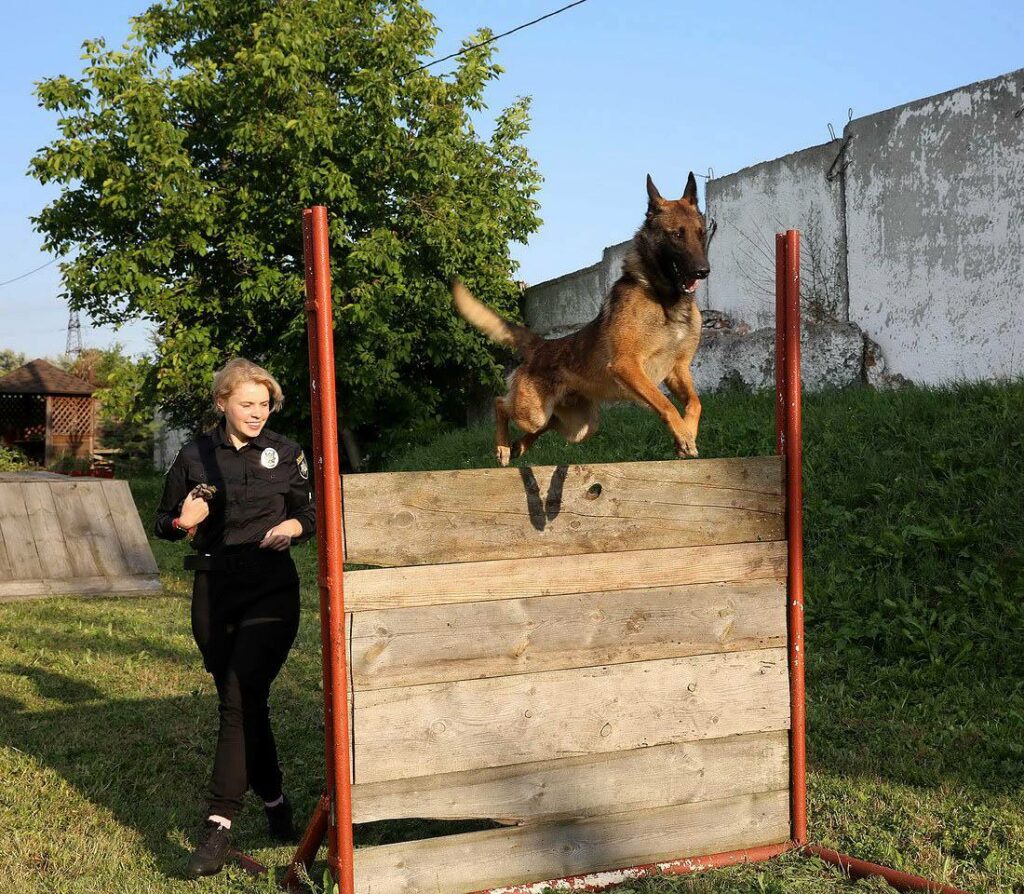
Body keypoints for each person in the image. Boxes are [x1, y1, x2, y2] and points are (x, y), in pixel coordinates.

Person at [155, 358, 315, 878]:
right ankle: (275, 801)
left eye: (264, 404)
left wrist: (292, 525)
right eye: (246, 404)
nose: (256, 412)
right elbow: (163, 520)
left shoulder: (287, 452)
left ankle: (218, 825)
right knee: (244, 700)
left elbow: (312, 512)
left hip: (271, 587)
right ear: (222, 403)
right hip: (214, 589)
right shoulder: (194, 454)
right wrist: (185, 520)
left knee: (238, 696)